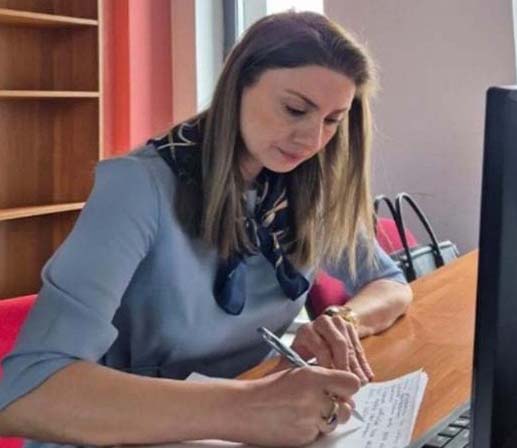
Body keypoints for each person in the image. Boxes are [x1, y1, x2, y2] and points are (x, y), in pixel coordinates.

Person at [0, 11, 412, 447]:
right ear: (238, 86)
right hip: (118, 433)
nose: (312, 140)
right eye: (295, 109)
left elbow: (390, 284)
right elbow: (24, 393)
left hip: (236, 426)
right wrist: (249, 407)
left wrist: (343, 319)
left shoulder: (306, 187)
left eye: (332, 120)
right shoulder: (137, 187)